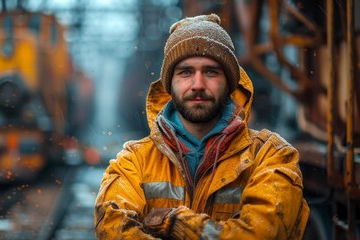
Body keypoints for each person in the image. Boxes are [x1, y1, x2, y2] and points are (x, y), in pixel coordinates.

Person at [94, 13, 310, 239]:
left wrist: (175, 222)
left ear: (229, 83)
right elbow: (113, 227)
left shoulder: (271, 156)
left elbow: (262, 233)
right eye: (185, 72)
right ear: (170, 84)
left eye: (211, 72)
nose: (198, 84)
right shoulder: (133, 161)